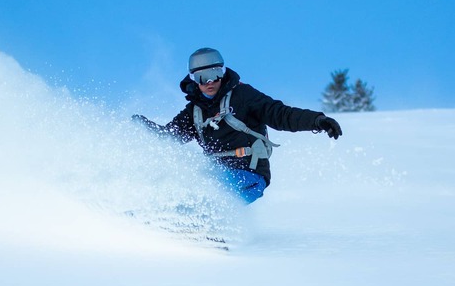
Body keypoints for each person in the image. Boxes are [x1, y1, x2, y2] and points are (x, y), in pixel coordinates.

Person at [133, 47, 342, 203]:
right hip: (215, 176)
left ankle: (205, 227)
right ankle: (157, 215)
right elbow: (169, 138)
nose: (210, 82)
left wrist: (317, 120)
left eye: (215, 74)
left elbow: (280, 114)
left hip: (250, 174)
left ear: (223, 73)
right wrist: (144, 129)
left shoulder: (243, 96)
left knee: (214, 194)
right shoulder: (194, 112)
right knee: (184, 185)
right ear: (194, 79)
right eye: (202, 77)